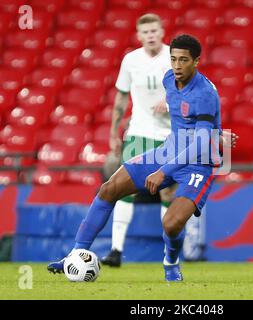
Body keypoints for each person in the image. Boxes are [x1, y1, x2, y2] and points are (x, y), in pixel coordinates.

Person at [48, 34, 236, 281]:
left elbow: (200, 142)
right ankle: (76, 253)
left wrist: (164, 171)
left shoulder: (205, 93)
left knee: (171, 224)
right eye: (173, 59)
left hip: (198, 163)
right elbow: (183, 113)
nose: (177, 66)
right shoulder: (169, 79)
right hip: (169, 150)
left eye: (183, 60)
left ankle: (171, 262)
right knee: (109, 189)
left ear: (196, 61)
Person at [101, 13, 174, 267]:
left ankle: (169, 255)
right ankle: (116, 251)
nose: (150, 35)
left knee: (168, 192)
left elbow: (192, 90)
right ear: (138, 35)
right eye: (145, 32)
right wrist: (113, 132)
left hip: (171, 136)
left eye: (154, 30)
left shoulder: (175, 56)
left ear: (162, 31)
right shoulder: (130, 60)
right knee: (123, 187)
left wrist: (171, 100)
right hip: (139, 131)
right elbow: (121, 99)